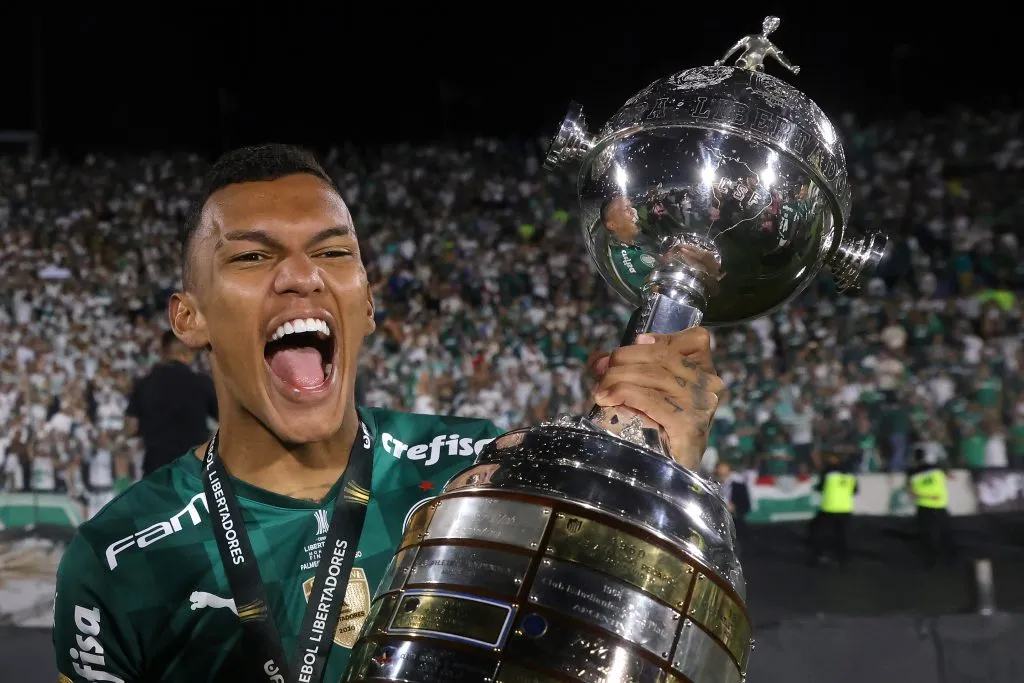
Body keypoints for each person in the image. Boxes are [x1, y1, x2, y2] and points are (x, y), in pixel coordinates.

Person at [53, 143, 726, 683]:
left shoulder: (485, 478)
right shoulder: (121, 557)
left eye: (333, 251)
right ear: (189, 317)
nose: (301, 275)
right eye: (254, 255)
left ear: (368, 303)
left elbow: (606, 651)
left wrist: (657, 470)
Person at [127, 330, 219, 476]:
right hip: (192, 471)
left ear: (163, 351)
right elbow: (227, 421)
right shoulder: (202, 383)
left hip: (155, 470)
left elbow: (130, 428)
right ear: (188, 352)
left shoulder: (144, 383)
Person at [906, 445, 956, 566]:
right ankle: (951, 559)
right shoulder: (937, 468)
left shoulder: (911, 472)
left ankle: (931, 561)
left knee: (927, 535)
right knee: (946, 533)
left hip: (924, 506)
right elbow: (952, 476)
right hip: (939, 505)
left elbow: (911, 491)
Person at [808, 451, 857, 567]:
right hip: (845, 508)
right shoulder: (851, 475)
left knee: (820, 532)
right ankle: (844, 558)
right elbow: (855, 491)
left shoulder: (828, 473)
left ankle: (819, 555)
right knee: (843, 534)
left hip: (829, 508)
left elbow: (820, 487)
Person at [714, 461, 751, 549]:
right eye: (719, 468)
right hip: (717, 521)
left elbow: (746, 506)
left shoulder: (739, 487)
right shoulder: (713, 485)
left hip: (734, 521)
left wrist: (735, 507)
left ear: (729, 470)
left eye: (724, 468)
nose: (721, 470)